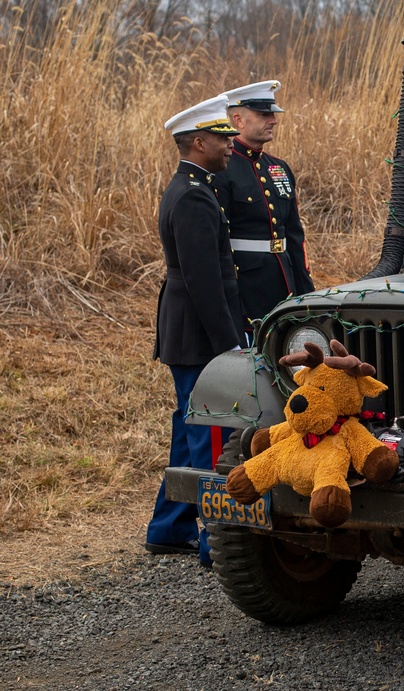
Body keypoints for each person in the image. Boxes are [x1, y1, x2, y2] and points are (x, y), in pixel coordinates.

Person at [147, 95, 244, 566]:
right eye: (222, 139)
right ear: (198, 141)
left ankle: (169, 528)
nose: (230, 146)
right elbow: (206, 283)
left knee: (189, 432)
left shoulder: (195, 188)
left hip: (189, 331)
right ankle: (213, 542)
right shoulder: (191, 196)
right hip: (197, 335)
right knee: (208, 436)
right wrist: (229, 346)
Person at [213, 80, 314, 334]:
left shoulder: (277, 167)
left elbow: (294, 234)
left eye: (273, 114)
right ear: (238, 120)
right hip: (246, 285)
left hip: (283, 279)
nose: (273, 120)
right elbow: (217, 239)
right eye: (263, 115)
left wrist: (306, 292)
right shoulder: (222, 169)